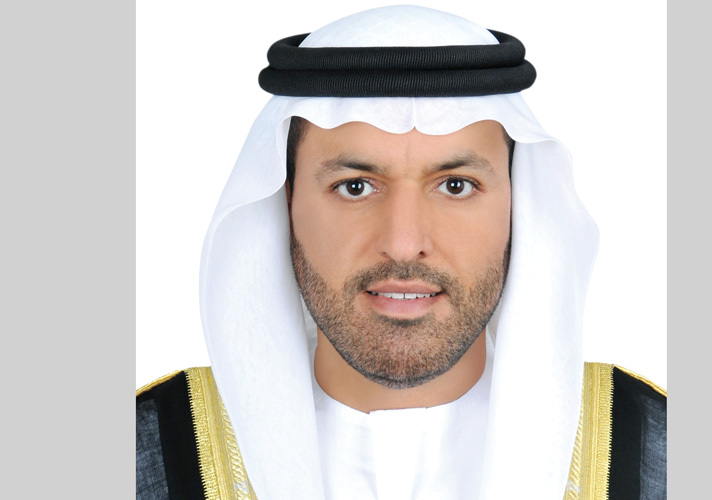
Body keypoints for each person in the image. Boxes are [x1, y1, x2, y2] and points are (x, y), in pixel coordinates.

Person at [136, 5, 666, 500]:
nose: (404, 242)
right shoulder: (143, 450)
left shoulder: (660, 451)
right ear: (285, 203)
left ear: (519, 204)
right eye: (355, 187)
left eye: (456, 186)